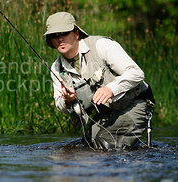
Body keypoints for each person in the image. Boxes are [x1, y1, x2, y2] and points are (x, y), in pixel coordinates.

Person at [45, 12, 154, 149]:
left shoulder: (101, 45)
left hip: (135, 103)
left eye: (64, 33)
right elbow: (60, 106)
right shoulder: (56, 68)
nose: (60, 38)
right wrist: (68, 100)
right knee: (84, 146)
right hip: (105, 113)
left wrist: (110, 89)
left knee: (104, 145)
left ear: (76, 34)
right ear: (50, 40)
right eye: (55, 35)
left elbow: (136, 73)